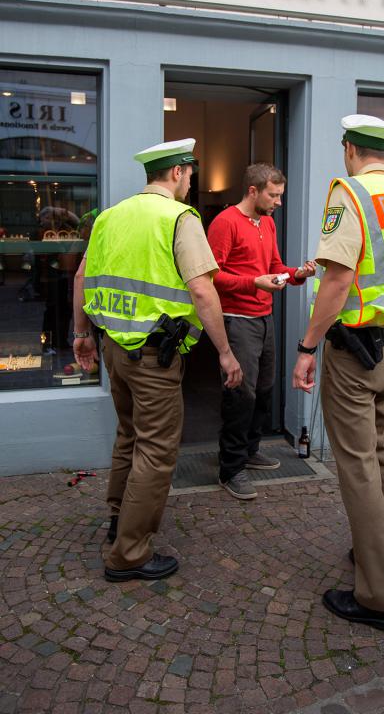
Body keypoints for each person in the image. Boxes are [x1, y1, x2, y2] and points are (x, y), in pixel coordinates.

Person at [292, 115, 384, 631]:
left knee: (357, 468)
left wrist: (307, 346)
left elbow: (337, 280)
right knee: (382, 458)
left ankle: (378, 596)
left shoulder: (351, 195)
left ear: (350, 149)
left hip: (354, 355)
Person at [73, 138, 242, 583]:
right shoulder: (180, 218)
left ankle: (118, 519)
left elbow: (80, 276)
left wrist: (80, 334)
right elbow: (203, 290)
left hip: (115, 348)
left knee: (129, 435)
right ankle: (128, 554)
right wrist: (225, 353)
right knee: (157, 448)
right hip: (153, 358)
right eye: (190, 174)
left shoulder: (111, 215)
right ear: (177, 173)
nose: (191, 182)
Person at [207, 162, 316, 500]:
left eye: (280, 195)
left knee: (264, 389)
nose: (278, 202)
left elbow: (274, 269)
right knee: (241, 394)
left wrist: (297, 273)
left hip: (264, 318)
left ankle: (250, 450)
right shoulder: (225, 222)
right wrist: (253, 282)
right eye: (274, 195)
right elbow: (211, 275)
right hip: (236, 320)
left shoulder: (267, 223)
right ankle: (231, 468)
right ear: (253, 190)